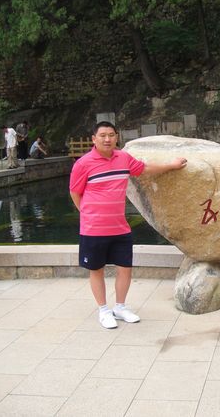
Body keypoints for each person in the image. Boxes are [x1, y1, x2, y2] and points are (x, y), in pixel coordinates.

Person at [69, 121, 187, 329]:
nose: (107, 139)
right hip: (93, 229)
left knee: (125, 268)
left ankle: (120, 307)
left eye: (111, 135)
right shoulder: (83, 164)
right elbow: (75, 192)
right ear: (94, 139)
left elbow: (145, 168)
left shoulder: (123, 158)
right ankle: (104, 310)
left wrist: (172, 165)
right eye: (103, 135)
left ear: (117, 137)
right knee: (96, 270)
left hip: (120, 227)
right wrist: (87, 213)